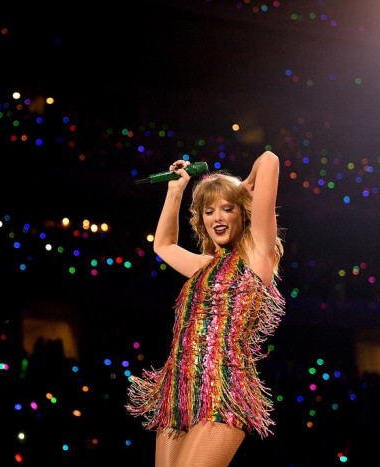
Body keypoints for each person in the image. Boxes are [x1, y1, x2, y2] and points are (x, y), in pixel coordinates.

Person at [126, 151, 285, 467]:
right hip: (178, 388)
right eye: (209, 211)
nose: (218, 217)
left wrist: (243, 188)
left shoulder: (257, 256)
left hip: (223, 388)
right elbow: (163, 245)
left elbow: (269, 160)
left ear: (243, 213)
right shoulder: (203, 266)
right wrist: (176, 190)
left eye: (228, 208)